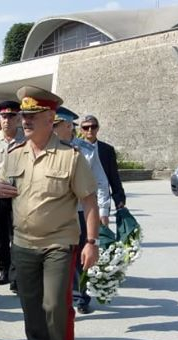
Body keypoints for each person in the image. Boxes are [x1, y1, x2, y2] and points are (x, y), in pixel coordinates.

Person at [0, 86, 99, 340]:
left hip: (58, 245)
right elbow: (1, 186)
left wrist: (91, 242)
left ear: (50, 118)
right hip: (23, 244)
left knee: (55, 308)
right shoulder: (15, 155)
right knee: (32, 310)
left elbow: (89, 202)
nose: (25, 120)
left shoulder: (71, 157)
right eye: (24, 115)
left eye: (32, 115)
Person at [56, 110, 109, 315]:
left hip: (80, 211)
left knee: (80, 257)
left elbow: (101, 181)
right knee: (59, 258)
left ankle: (81, 296)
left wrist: (103, 209)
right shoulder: (48, 147)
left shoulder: (86, 150)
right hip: (56, 212)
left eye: (56, 125)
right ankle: (63, 298)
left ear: (69, 126)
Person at [0, 100, 26, 290]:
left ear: (18, 118)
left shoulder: (27, 139)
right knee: (0, 240)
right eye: (3, 116)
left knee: (17, 238)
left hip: (20, 196)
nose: (6, 120)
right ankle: (4, 270)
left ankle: (16, 276)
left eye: (11, 116)